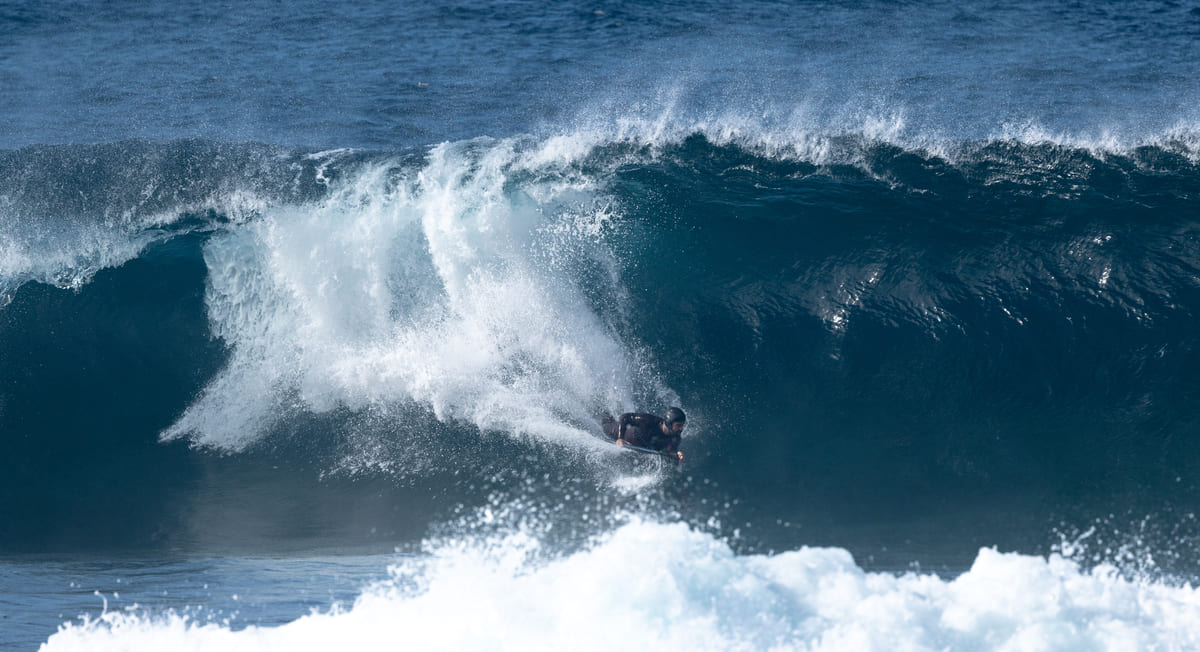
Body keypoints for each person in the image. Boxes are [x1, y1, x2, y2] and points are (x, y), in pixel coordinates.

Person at [601, 407, 686, 462]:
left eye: (682, 425)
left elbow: (669, 451)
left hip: (639, 445)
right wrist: (620, 438)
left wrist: (676, 454)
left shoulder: (676, 437)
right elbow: (624, 417)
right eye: (678, 425)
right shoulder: (649, 421)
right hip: (616, 431)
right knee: (605, 421)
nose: (681, 429)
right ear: (669, 423)